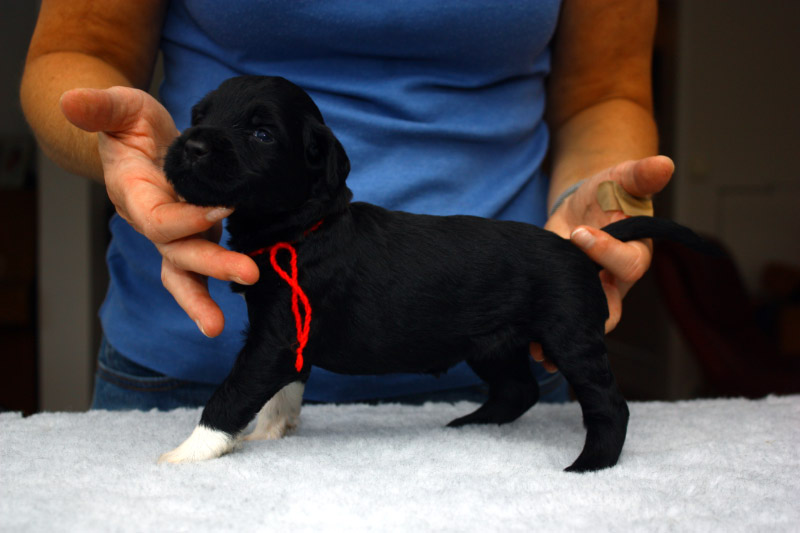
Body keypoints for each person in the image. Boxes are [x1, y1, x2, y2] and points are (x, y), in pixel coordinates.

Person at [20, 0, 671, 410]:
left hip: (489, 336)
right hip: (190, 363)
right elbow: (77, 49)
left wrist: (596, 197)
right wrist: (124, 147)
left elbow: (604, 93)